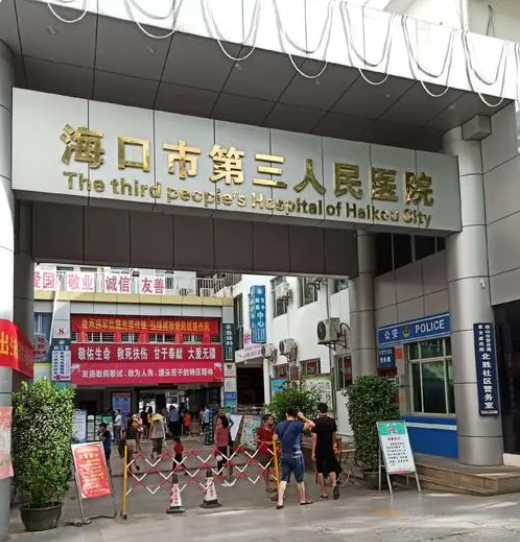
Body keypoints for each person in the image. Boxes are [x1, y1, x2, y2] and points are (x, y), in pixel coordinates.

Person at [274, 407, 315, 509]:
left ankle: (280, 502)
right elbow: (312, 424)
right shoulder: (298, 424)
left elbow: (274, 438)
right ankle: (302, 500)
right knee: (299, 480)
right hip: (296, 455)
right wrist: (302, 417)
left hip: (284, 455)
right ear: (296, 415)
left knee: (283, 479)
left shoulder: (280, 425)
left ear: (286, 414)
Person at [312, 403, 341, 500]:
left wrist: (313, 452)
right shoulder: (331, 421)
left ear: (318, 411)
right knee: (331, 468)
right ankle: (334, 484)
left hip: (319, 450)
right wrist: (334, 445)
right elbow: (333, 435)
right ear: (326, 410)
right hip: (329, 449)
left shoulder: (315, 422)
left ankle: (324, 492)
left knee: (320, 470)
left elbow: (314, 438)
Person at [256, 414, 276, 493]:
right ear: (265, 421)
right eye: (270, 419)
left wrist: (273, 442)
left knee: (274, 469)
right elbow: (256, 439)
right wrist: (265, 442)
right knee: (265, 469)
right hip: (263, 452)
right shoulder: (260, 429)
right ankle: (267, 486)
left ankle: (276, 485)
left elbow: (277, 440)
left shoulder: (274, 430)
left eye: (272, 419)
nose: (272, 421)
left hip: (273, 452)